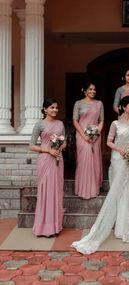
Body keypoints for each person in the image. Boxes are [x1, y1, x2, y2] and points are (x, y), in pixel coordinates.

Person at [71, 96, 129, 254]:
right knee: (121, 194)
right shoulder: (116, 124)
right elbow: (108, 142)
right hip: (119, 160)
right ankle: (121, 228)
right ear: (123, 107)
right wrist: (121, 150)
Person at [29, 98, 66, 237]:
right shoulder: (39, 125)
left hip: (57, 159)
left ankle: (55, 226)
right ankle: (42, 227)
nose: (55, 110)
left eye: (56, 107)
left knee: (56, 190)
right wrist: (48, 150)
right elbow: (31, 145)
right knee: (45, 191)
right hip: (45, 159)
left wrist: (58, 148)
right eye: (52, 107)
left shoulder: (60, 124)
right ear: (45, 109)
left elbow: (65, 143)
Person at [73, 82, 104, 199]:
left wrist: (96, 134)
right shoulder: (78, 103)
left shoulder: (99, 104)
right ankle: (83, 188)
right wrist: (83, 135)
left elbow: (101, 121)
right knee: (84, 159)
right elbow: (75, 120)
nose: (92, 91)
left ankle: (93, 188)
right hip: (82, 135)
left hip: (95, 135)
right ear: (85, 91)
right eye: (90, 89)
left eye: (94, 89)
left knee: (94, 159)